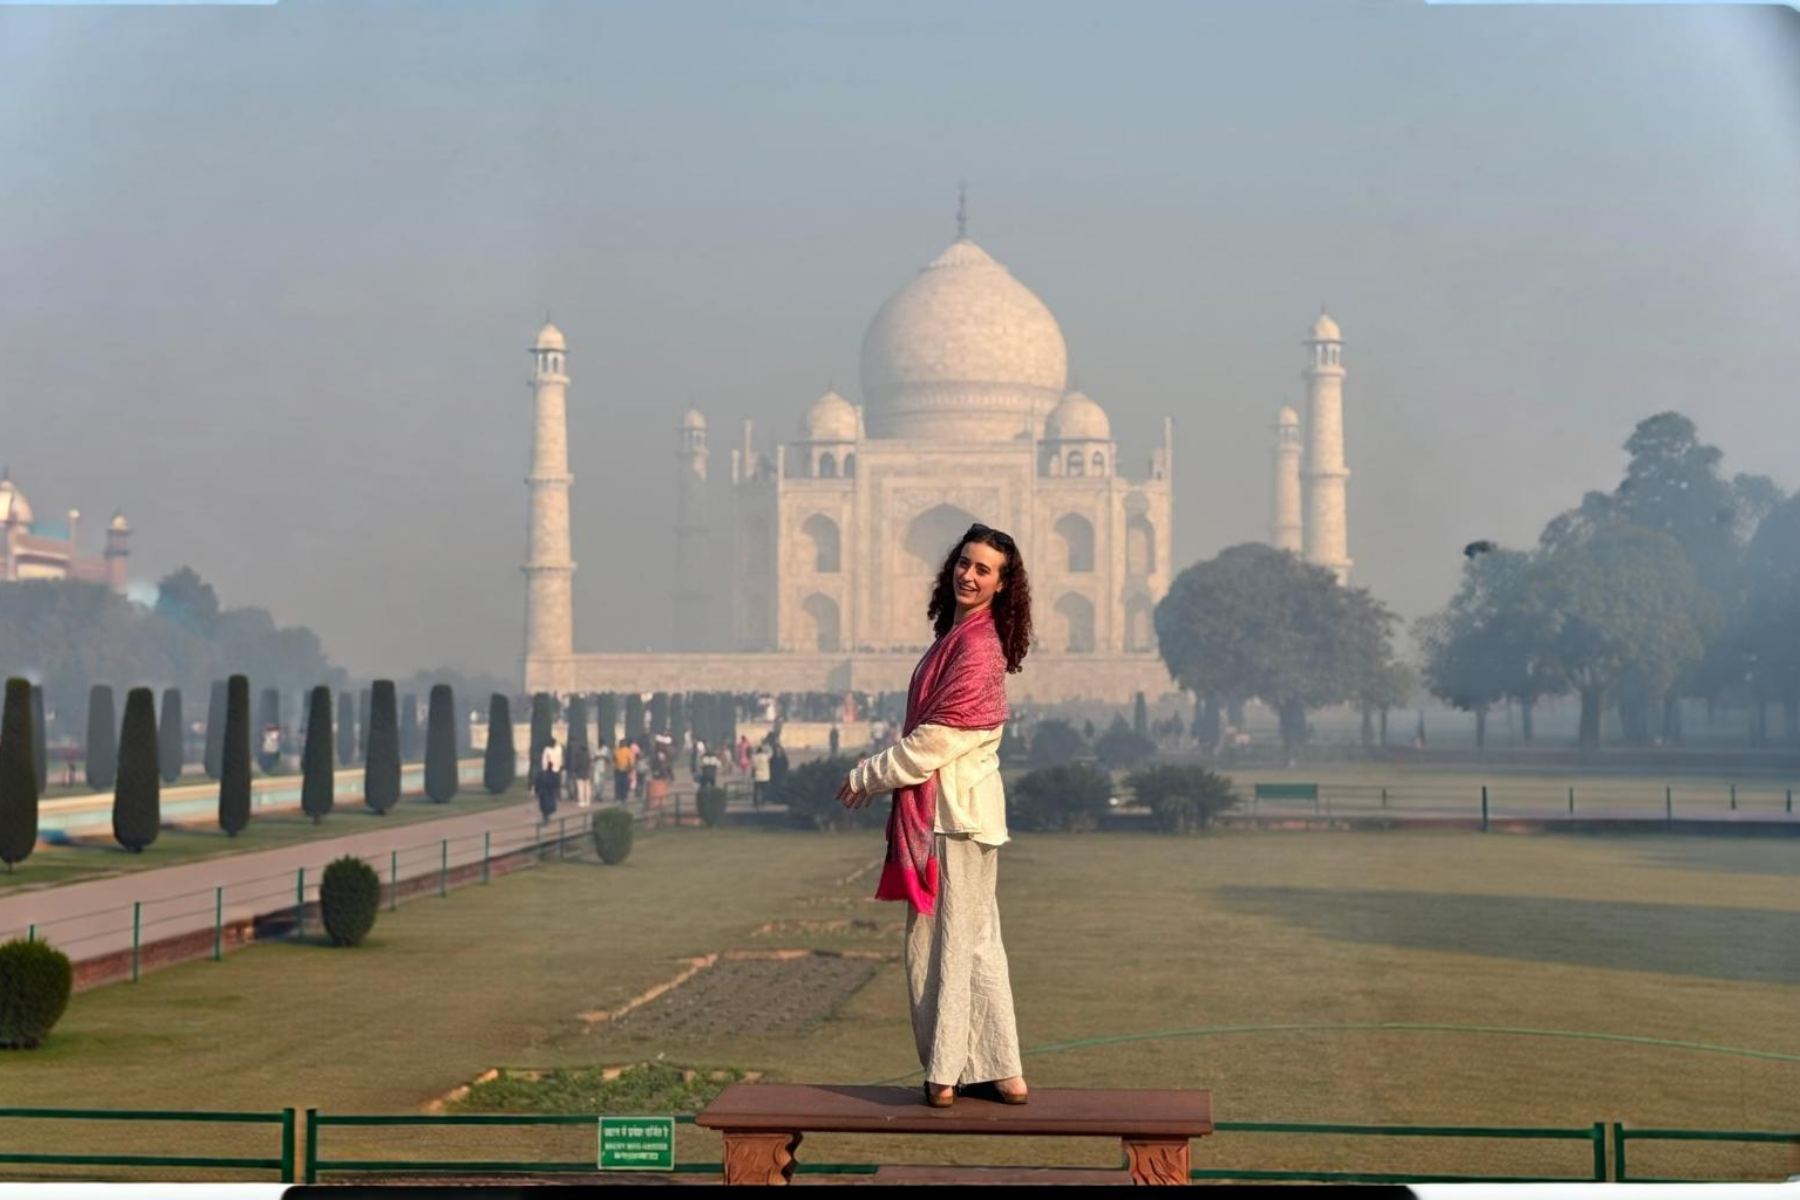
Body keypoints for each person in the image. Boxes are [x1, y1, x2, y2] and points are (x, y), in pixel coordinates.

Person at [837, 523, 1031, 1109]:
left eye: (983, 570)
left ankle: (946, 1072)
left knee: (942, 942)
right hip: (962, 814)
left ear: (1002, 584)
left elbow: (933, 743)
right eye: (964, 564)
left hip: (952, 817)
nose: (968, 576)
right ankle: (1004, 1070)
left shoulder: (975, 646)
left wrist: (866, 776)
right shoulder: (961, 635)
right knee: (975, 942)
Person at [536, 735, 563, 821]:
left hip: (553, 769)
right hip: (553, 769)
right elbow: (545, 761)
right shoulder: (552, 750)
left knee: (551, 788)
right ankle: (557, 795)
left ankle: (556, 795)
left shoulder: (553, 749)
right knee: (553, 787)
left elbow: (545, 761)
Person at [568, 737, 593, 809]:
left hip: (579, 774)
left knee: (580, 788)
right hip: (587, 773)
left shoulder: (579, 756)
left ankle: (582, 801)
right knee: (587, 788)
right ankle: (588, 801)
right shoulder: (588, 756)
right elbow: (590, 764)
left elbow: (576, 764)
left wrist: (575, 771)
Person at [612, 738, 634, 804]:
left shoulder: (628, 751)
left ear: (625, 744)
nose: (621, 744)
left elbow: (631, 761)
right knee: (618, 784)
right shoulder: (616, 750)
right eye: (620, 743)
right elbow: (614, 759)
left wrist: (630, 769)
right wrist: (614, 768)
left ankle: (624, 797)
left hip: (625, 770)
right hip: (618, 770)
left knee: (625, 784)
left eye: (622, 743)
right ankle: (618, 798)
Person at [751, 742, 772, 809]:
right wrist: (767, 746)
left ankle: (755, 802)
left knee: (756, 790)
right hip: (765, 776)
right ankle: (763, 802)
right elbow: (771, 753)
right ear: (762, 750)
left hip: (757, 776)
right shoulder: (765, 756)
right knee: (764, 790)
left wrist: (756, 747)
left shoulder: (754, 757)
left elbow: (753, 765)